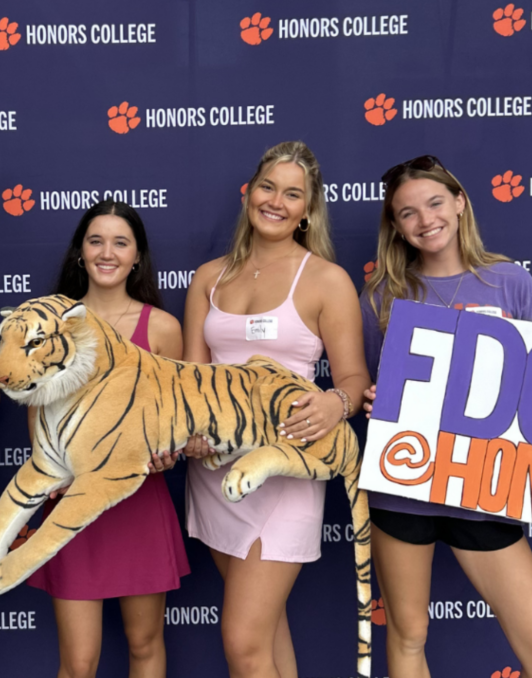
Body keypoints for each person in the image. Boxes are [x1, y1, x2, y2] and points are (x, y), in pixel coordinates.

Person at [360, 155, 532, 678]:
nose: (425, 219)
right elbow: (362, 384)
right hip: (405, 483)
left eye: (434, 203)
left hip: (486, 485)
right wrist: (371, 399)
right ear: (397, 227)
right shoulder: (383, 295)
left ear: (459, 202)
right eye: (407, 213)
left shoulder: (510, 283)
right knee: (409, 635)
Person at [182, 141, 370, 678]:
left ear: (308, 210)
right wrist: (189, 431)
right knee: (265, 633)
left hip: (286, 472)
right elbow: (193, 382)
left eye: (293, 194)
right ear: (249, 193)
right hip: (215, 475)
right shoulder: (206, 278)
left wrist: (337, 403)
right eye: (268, 187)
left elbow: (354, 379)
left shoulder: (326, 279)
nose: (276, 202)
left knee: (242, 643)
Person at [26, 200, 190, 678]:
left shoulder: (162, 328)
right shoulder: (48, 324)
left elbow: (173, 418)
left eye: (121, 242)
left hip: (138, 500)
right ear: (80, 251)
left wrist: (167, 448)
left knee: (144, 644)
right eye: (96, 240)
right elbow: (37, 417)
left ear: (137, 256)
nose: (107, 252)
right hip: (71, 503)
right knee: (78, 663)